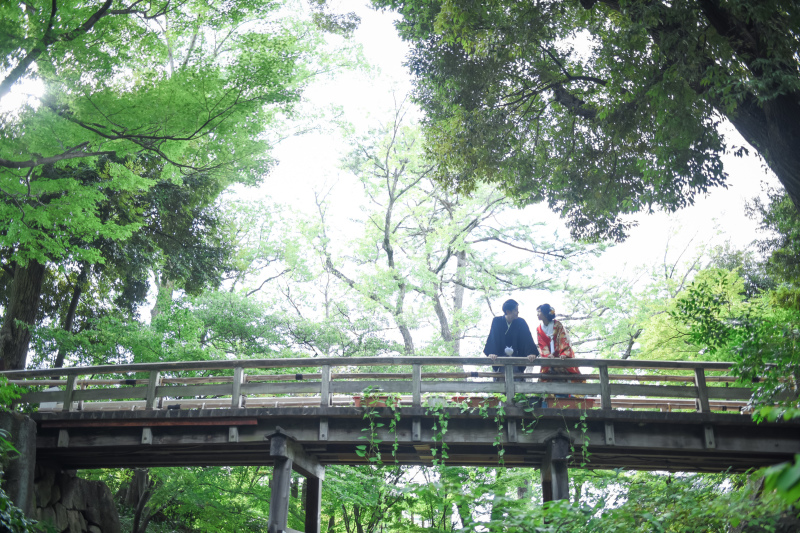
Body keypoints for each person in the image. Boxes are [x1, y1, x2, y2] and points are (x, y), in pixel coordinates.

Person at [483, 299, 538, 380]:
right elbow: (493, 337)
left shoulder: (521, 322)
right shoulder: (497, 321)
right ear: (508, 311)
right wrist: (492, 353)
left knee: (518, 386)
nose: (517, 312)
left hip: (516, 360)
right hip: (500, 360)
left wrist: (531, 352)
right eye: (515, 310)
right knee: (500, 387)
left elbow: (527, 338)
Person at [535, 304, 581, 383]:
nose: (537, 314)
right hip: (548, 356)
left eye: (539, 312)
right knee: (547, 376)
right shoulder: (539, 329)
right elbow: (541, 344)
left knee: (566, 374)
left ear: (545, 313)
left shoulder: (558, 325)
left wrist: (564, 353)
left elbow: (564, 339)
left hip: (560, 354)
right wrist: (547, 355)